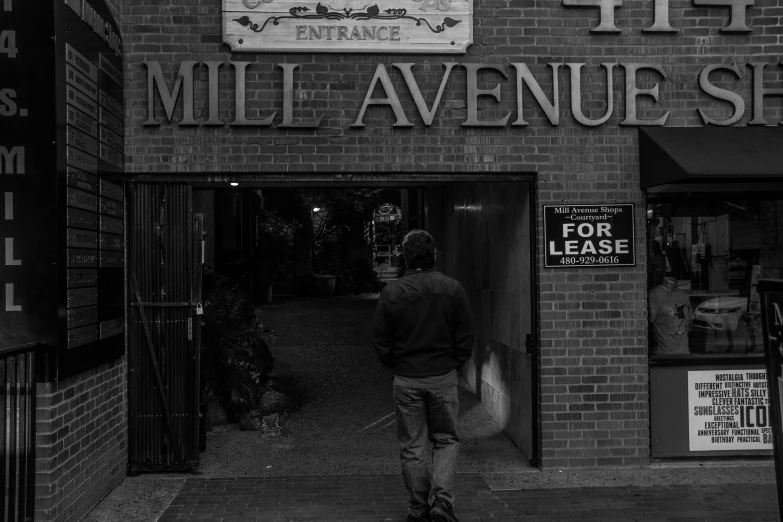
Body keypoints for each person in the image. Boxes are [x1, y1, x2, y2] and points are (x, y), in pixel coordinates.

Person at [372, 229, 475, 522]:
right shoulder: (452, 289)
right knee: (445, 440)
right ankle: (441, 501)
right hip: (442, 377)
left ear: (405, 257)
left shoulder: (392, 292)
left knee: (412, 445)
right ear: (434, 255)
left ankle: (418, 508)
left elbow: (381, 339)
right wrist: (455, 363)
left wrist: (395, 364)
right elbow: (465, 334)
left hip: (407, 380)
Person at [648, 276, 692, 354]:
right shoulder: (654, 295)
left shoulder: (684, 296)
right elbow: (649, 326)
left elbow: (689, 323)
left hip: (684, 351)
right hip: (664, 352)